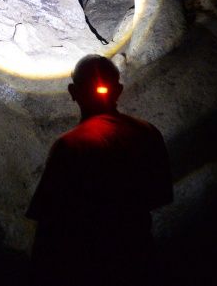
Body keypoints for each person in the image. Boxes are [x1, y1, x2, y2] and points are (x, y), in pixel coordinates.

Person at [27, 55, 174, 286]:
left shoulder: (70, 146)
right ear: (119, 90)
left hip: (86, 266)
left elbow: (48, 223)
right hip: (139, 260)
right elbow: (160, 195)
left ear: (73, 91)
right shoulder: (148, 133)